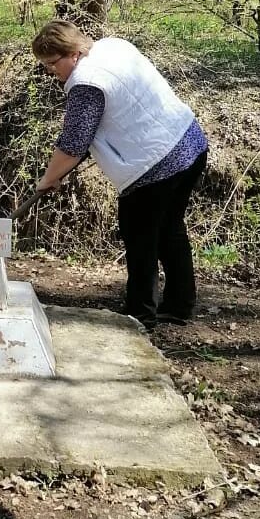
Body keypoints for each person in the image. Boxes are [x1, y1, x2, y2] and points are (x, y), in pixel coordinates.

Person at [32, 21, 208, 328]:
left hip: (155, 164)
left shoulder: (86, 83)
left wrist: (49, 177)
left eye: (51, 64)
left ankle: (139, 316)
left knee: (139, 235)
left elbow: (74, 143)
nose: (51, 72)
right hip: (189, 142)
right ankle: (180, 306)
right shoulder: (113, 47)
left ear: (73, 53)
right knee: (169, 229)